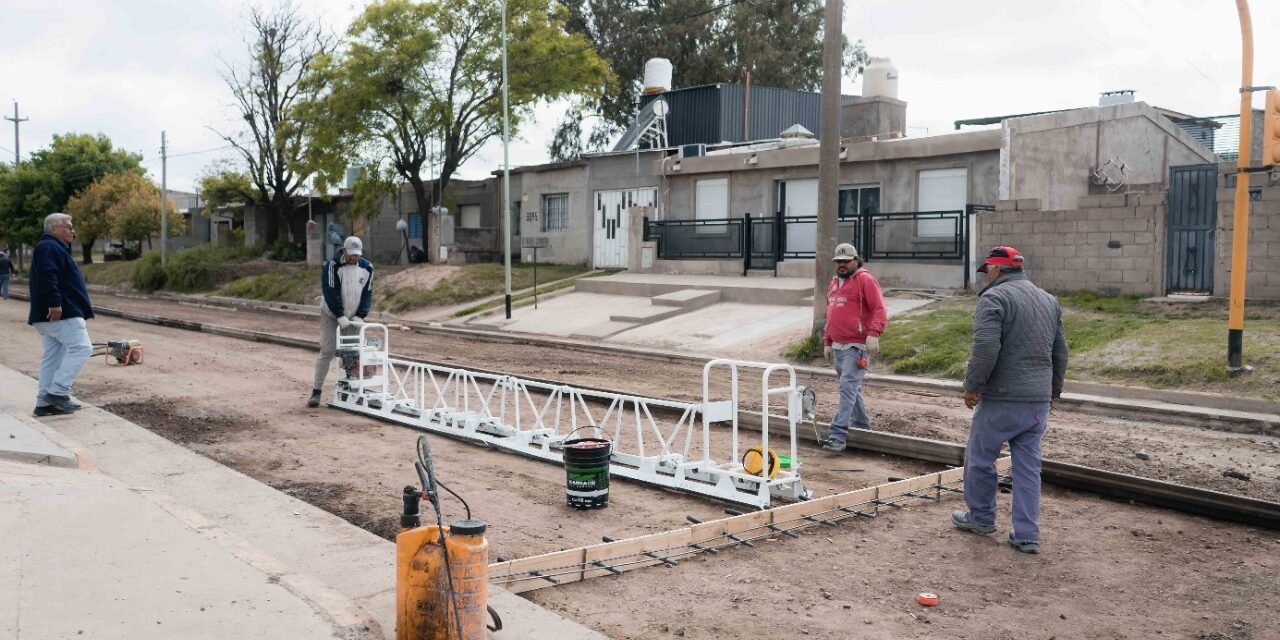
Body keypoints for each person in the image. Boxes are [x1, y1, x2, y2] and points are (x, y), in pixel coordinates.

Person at [951, 246, 1068, 555]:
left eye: (986, 271)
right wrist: (1052, 391)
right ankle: (1027, 534)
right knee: (1028, 469)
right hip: (1037, 402)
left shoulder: (995, 298)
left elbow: (986, 347)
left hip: (1003, 398)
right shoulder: (1049, 301)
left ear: (997, 270)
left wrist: (972, 386)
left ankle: (981, 517)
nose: (985, 278)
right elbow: (1060, 351)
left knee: (980, 458)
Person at [821, 242, 887, 452]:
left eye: (846, 261)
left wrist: (874, 333)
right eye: (838, 261)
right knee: (852, 389)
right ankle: (861, 426)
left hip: (856, 347)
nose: (841, 265)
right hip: (839, 346)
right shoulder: (833, 283)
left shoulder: (865, 280)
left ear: (856, 261)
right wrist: (827, 341)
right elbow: (829, 314)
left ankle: (837, 435)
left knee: (847, 388)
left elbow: (879, 309)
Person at [28, 213, 95, 416]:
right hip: (61, 312)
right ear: (55, 229)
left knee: (53, 359)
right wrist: (55, 303)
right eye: (69, 227)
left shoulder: (51, 247)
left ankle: (44, 403)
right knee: (82, 348)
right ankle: (58, 393)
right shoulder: (50, 247)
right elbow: (47, 276)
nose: (72, 231)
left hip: (50, 314)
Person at [308, 236, 374, 407]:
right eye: (351, 254)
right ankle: (316, 391)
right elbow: (330, 291)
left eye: (357, 255)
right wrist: (339, 314)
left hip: (353, 317)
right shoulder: (332, 266)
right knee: (328, 350)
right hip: (331, 314)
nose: (354, 258)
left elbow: (367, 294)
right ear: (344, 251)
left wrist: (360, 315)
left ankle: (350, 390)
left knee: (352, 352)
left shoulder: (367, 268)